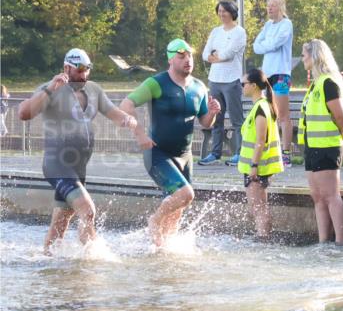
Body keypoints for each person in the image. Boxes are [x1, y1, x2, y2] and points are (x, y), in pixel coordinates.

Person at [16, 49, 137, 253]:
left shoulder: (94, 90)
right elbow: (23, 113)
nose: (84, 75)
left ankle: (48, 263)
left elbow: (112, 112)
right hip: (57, 165)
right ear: (67, 68)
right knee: (88, 211)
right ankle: (94, 259)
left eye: (87, 69)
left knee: (60, 223)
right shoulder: (50, 88)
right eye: (80, 70)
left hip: (78, 169)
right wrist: (50, 89)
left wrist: (127, 119)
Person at [120, 39, 221, 247]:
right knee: (185, 194)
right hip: (158, 154)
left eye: (190, 56)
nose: (188, 60)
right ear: (170, 59)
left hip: (184, 156)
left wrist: (212, 113)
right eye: (181, 56)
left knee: (178, 210)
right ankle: (154, 221)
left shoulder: (199, 87)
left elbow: (205, 123)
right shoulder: (156, 83)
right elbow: (126, 104)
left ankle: (162, 252)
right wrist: (139, 134)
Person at [298, 39, 343, 244]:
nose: (302, 58)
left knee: (331, 195)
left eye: (304, 54)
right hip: (312, 146)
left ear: (315, 56)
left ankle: (341, 242)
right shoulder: (315, 84)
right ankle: (323, 242)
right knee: (318, 197)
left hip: (328, 146)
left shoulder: (329, 82)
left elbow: (341, 116)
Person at [199, 0, 247, 166]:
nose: (221, 14)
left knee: (236, 120)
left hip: (232, 81)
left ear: (232, 12)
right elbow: (205, 54)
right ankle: (215, 153)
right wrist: (214, 57)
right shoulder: (215, 31)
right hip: (214, 81)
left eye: (224, 11)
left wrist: (216, 56)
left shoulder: (240, 32)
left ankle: (240, 154)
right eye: (219, 11)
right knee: (216, 119)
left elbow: (229, 54)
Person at [237, 68, 284, 238]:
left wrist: (254, 165)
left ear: (254, 86)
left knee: (259, 208)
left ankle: (264, 240)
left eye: (244, 84)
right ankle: (263, 237)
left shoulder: (261, 108)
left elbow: (260, 141)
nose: (242, 87)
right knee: (257, 207)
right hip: (256, 166)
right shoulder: (260, 105)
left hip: (258, 167)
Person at [253, 0, 294, 165]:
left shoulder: (287, 24)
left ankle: (286, 153)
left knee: (282, 115)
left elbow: (277, 43)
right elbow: (256, 46)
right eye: (268, 5)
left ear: (280, 7)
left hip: (281, 73)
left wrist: (266, 46)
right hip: (267, 74)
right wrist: (266, 46)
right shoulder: (268, 25)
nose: (269, 8)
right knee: (269, 113)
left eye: (273, 5)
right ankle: (271, 150)